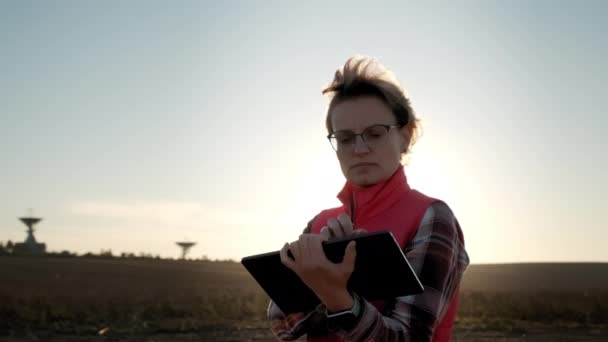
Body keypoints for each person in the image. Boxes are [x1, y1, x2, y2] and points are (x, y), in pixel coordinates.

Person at [267, 56, 470, 342]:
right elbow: (282, 326)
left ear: (405, 136)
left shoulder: (431, 216)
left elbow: (409, 337)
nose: (360, 149)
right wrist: (326, 273)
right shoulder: (319, 224)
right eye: (346, 138)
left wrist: (337, 295)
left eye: (375, 133)